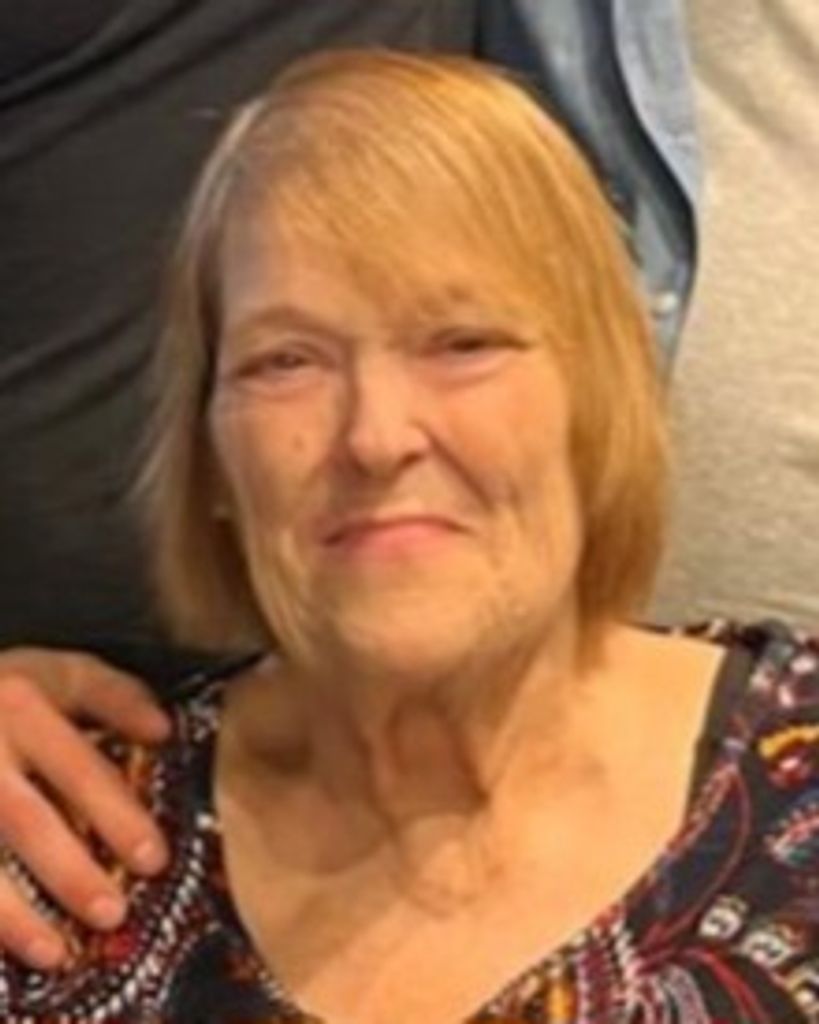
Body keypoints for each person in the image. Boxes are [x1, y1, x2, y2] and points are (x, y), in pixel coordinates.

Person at [2, 48, 819, 1023]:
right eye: (286, 361)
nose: (376, 436)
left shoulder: (797, 791)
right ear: (211, 456)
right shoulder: (55, 842)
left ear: (597, 400)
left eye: (463, 344)